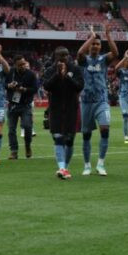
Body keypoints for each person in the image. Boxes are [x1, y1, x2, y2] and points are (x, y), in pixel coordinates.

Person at [77, 22, 118, 176]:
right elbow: (80, 53)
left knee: (105, 129)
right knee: (86, 135)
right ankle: (87, 165)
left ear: (101, 46)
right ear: (89, 45)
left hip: (101, 101)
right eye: (93, 43)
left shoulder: (103, 60)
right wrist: (92, 36)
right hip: (86, 102)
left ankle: (101, 163)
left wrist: (108, 35)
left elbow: (115, 52)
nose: (95, 46)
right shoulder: (83, 60)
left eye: (97, 44)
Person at [43, 47, 84, 180]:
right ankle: (61, 167)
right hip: (55, 108)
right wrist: (58, 75)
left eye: (66, 55)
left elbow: (80, 86)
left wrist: (66, 77)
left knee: (70, 139)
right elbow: (46, 86)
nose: (64, 57)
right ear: (56, 57)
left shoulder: (75, 69)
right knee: (59, 137)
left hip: (72, 108)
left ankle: (65, 166)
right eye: (61, 55)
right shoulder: (50, 70)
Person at [6, 55, 38, 159]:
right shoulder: (10, 73)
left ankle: (28, 146)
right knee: (11, 129)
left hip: (25, 104)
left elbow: (35, 89)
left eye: (24, 64)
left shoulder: (31, 74)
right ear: (15, 65)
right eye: (20, 65)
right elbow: (3, 84)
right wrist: (9, 86)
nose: (23, 66)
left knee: (27, 126)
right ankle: (14, 151)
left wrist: (24, 90)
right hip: (12, 105)